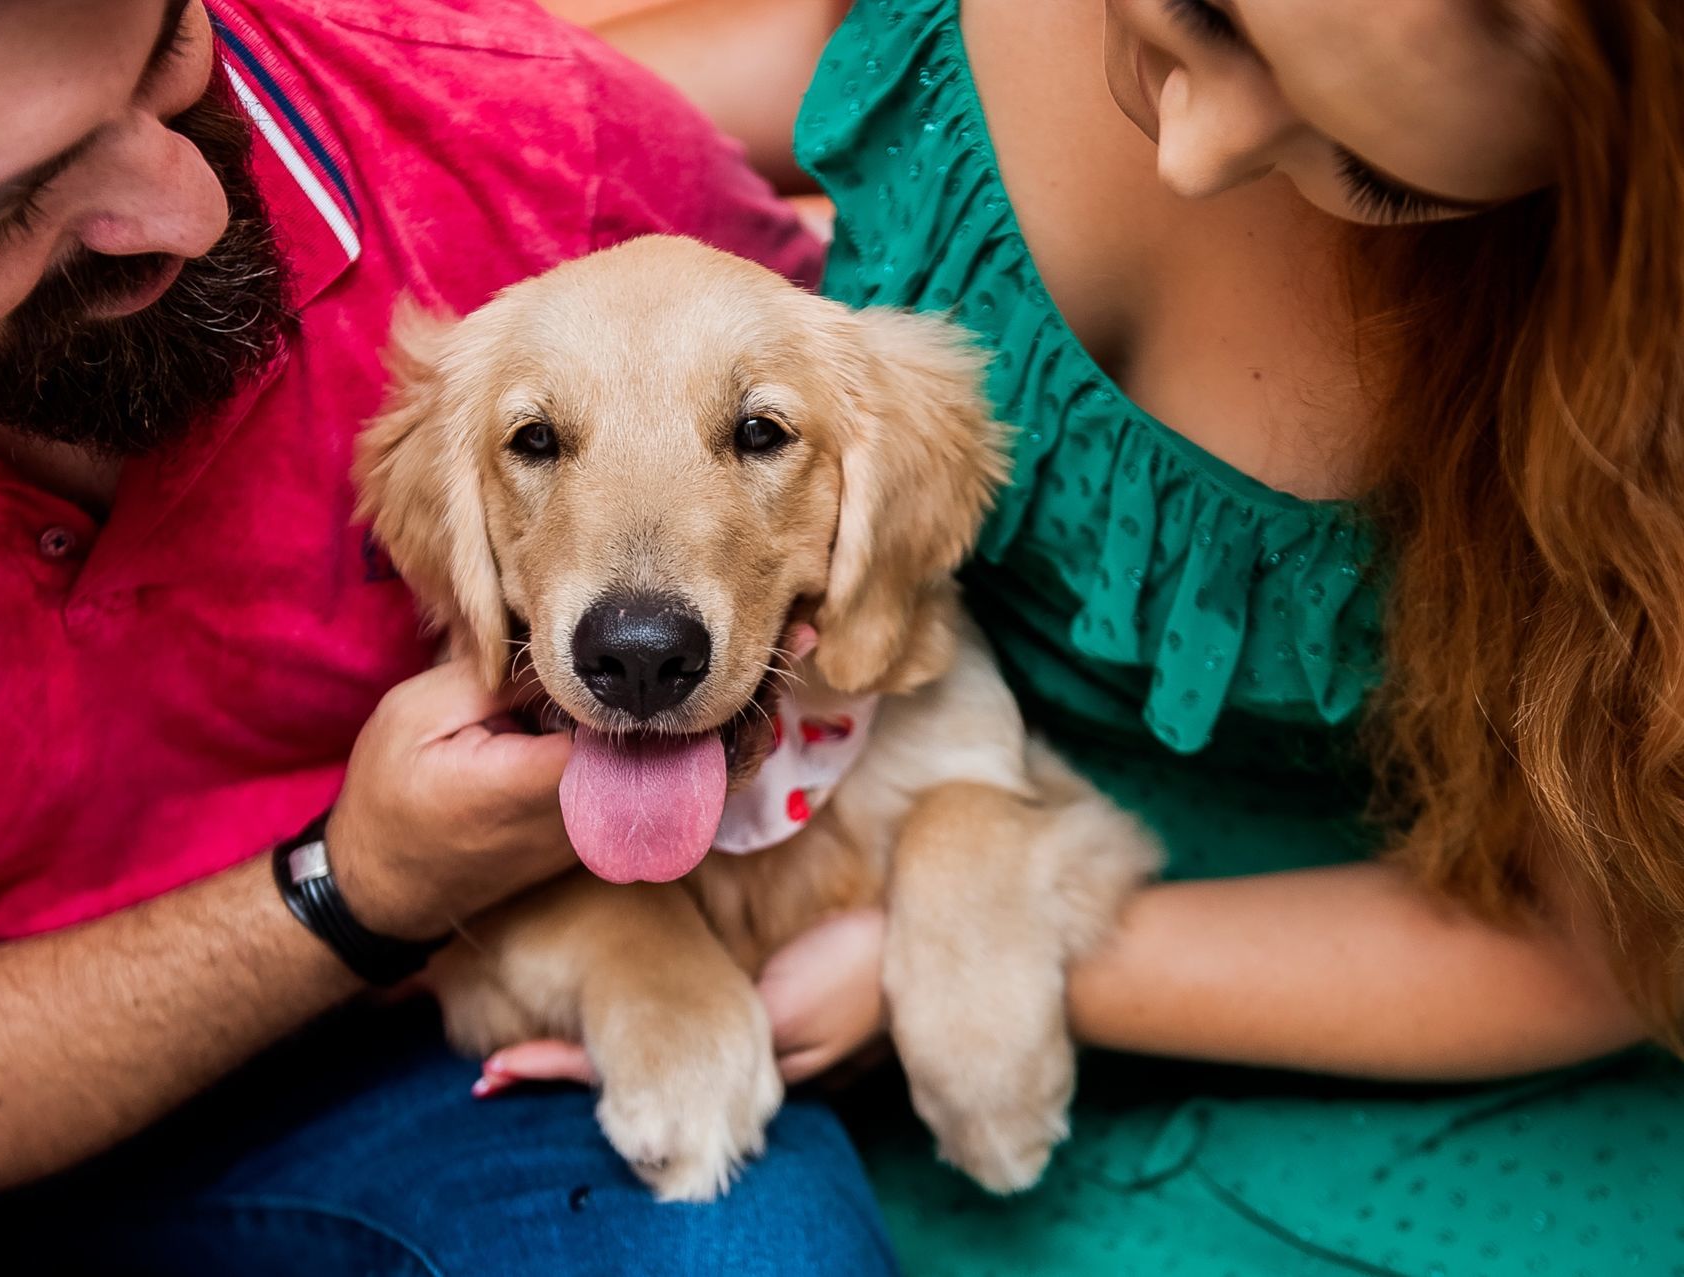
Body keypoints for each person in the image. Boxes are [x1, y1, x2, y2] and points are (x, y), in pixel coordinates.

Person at [483, 0, 1684, 1271]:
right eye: (1200, 12)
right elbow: (782, 57)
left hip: (1380, 984)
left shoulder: (1639, 365)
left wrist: (947, 955)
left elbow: (1610, 944)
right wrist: (367, 113)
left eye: (1383, 178)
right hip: (863, 882)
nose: (1194, 149)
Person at [0, 1, 898, 1272]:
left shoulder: (537, 141)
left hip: (427, 1061)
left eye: (166, 57)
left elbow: (884, 484)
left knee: (754, 1248)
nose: (187, 207)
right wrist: (354, 889)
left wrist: (918, 919)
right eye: (2, 209)